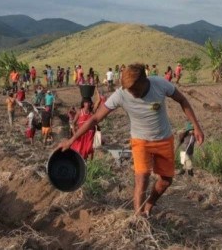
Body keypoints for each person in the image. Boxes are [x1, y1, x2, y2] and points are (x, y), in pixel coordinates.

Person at [57, 63, 204, 217]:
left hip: (164, 139)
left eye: (134, 89)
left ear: (144, 81)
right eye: (128, 90)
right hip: (140, 141)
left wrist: (196, 126)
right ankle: (138, 218)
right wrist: (71, 140)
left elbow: (182, 100)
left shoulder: (159, 84)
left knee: (166, 181)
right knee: (142, 177)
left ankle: (149, 204)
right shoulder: (121, 94)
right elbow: (94, 118)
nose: (131, 93)